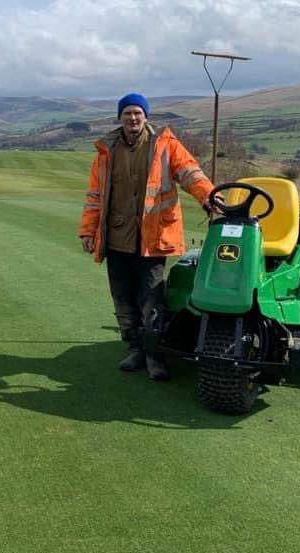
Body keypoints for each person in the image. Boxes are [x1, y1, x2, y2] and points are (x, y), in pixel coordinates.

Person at [78, 92, 219, 381]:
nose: (133, 118)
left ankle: (155, 355)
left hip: (152, 237)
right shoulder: (106, 151)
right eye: (127, 113)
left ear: (145, 116)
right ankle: (135, 350)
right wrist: (88, 230)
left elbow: (190, 173)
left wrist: (209, 197)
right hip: (116, 237)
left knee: (151, 300)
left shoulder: (165, 144)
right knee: (123, 299)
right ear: (120, 117)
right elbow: (94, 196)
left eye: (137, 113)